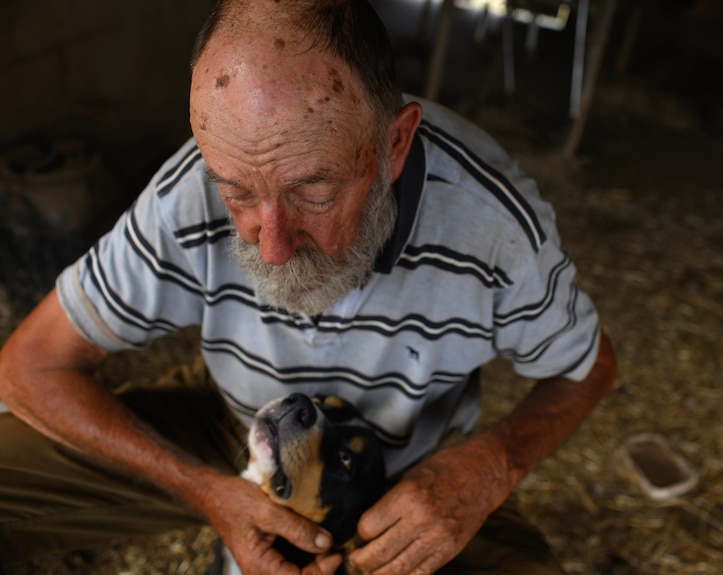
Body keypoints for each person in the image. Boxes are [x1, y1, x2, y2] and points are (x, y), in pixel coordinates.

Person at [0, 0, 617, 574]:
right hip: (236, 429)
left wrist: (489, 467)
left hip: (410, 474)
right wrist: (207, 489)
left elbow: (587, 367)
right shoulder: (185, 194)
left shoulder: (493, 224)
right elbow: (31, 365)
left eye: (312, 192)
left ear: (395, 144)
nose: (270, 245)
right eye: (237, 192)